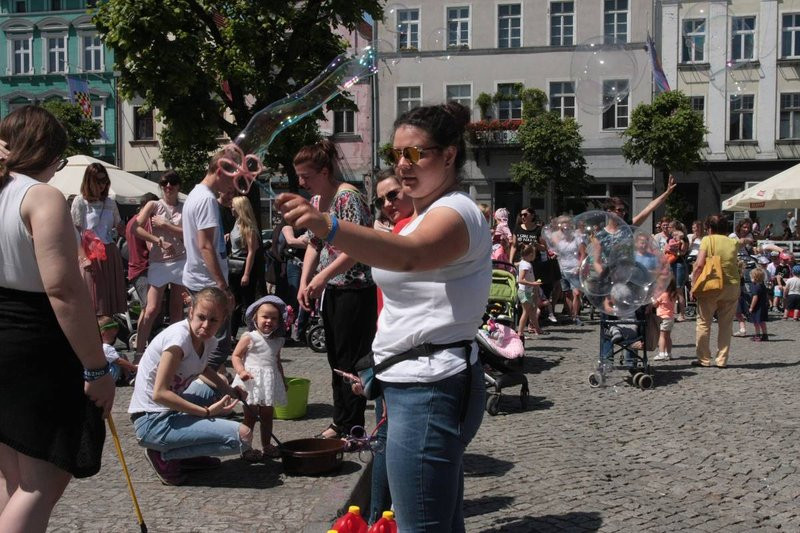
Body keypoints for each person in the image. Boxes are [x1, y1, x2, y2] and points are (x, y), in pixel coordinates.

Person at [277, 102, 488, 532]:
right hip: (409, 380)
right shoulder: (418, 216)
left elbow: (410, 258)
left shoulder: (457, 211)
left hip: (429, 384)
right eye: (396, 156)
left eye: (416, 154)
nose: (403, 165)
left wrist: (328, 226)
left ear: (449, 155)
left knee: (420, 525)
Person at [0, 106, 114, 532]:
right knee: (41, 481)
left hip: (6, 338)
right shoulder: (39, 196)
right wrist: (96, 366)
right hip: (32, 345)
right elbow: (64, 291)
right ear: (48, 153)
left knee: (13, 475)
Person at [293, 139, 376, 440]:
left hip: (355, 289)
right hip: (335, 289)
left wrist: (322, 277)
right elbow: (314, 243)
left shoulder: (347, 198)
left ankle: (353, 427)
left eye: (306, 176)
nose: (301, 182)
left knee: (352, 361)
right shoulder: (317, 203)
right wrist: (305, 281)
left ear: (325, 171)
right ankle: (340, 421)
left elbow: (357, 248)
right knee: (336, 359)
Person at [128, 287, 251, 486]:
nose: (205, 325)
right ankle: (165, 455)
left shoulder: (207, 340)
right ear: (191, 311)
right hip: (152, 420)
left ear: (223, 321)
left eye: (213, 320)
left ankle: (187, 452)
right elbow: (159, 394)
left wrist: (228, 389)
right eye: (201, 317)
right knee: (243, 438)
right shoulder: (178, 340)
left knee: (216, 388)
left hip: (169, 410)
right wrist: (205, 412)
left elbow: (202, 367)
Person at [369, 168, 414, 525]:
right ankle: (383, 515)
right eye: (382, 199)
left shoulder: (413, 231)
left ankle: (378, 518)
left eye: (392, 195)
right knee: (385, 435)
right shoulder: (394, 229)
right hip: (387, 345)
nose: (387, 204)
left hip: (404, 353)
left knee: (386, 437)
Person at [182, 148, 239, 375]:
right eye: (231, 176)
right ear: (219, 171)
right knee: (217, 344)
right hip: (207, 282)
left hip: (196, 277)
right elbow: (205, 245)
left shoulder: (196, 194)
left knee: (201, 340)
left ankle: (209, 388)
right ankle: (200, 388)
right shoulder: (206, 200)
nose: (234, 183)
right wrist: (223, 287)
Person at [132, 170, 187, 358]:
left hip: (181, 260)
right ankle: (139, 352)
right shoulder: (153, 205)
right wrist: (158, 240)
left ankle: (173, 351)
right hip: (159, 262)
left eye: (172, 183)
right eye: (164, 183)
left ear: (179, 186)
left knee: (177, 309)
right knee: (151, 308)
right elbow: (135, 228)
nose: (168, 187)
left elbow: (190, 233)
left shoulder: (185, 206)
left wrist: (165, 225)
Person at [231, 296, 288, 462]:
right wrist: (241, 371)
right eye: (265, 316)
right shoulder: (250, 337)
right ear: (255, 317)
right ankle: (246, 447)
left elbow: (277, 362)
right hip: (252, 382)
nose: (269, 321)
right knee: (250, 416)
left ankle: (267, 445)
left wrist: (282, 380)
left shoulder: (278, 341)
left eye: (273, 318)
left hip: (268, 382)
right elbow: (236, 356)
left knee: (267, 416)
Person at [71, 162, 127, 316]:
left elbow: (119, 226)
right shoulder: (80, 201)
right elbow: (75, 231)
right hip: (90, 254)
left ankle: (106, 338)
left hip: (109, 251)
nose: (102, 185)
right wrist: (83, 258)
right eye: (98, 180)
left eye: (105, 181)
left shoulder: (110, 202)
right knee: (93, 302)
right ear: (89, 180)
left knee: (109, 304)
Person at [691, 214, 741, 368]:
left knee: (704, 323)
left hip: (711, 285)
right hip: (732, 285)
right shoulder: (733, 242)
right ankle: (722, 360)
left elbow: (699, 265)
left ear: (710, 228)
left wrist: (694, 285)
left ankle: (704, 359)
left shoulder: (707, 240)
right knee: (726, 325)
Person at [229, 196, 266, 336]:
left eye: (233, 206)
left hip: (244, 267)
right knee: (235, 302)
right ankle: (232, 334)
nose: (231, 208)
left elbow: (251, 251)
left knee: (245, 302)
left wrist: (246, 274)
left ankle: (251, 332)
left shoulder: (248, 227)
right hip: (234, 266)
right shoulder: (236, 224)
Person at [98, 316, 137, 383]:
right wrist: (135, 368)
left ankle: (126, 376)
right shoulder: (106, 347)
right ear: (103, 334)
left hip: (101, 376)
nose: (114, 337)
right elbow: (119, 361)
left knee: (121, 355)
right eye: (112, 335)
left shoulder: (97, 346)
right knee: (120, 358)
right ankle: (129, 377)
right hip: (108, 378)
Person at [517, 245, 543, 338]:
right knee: (526, 312)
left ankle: (538, 329)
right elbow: (520, 280)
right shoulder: (526, 265)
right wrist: (533, 284)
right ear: (531, 254)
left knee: (531, 311)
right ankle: (520, 333)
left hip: (525, 290)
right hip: (525, 291)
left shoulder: (524, 262)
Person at [666, 220, 689, 321]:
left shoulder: (684, 238)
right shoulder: (670, 238)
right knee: (670, 289)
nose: (668, 229)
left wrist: (677, 251)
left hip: (679, 264)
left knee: (679, 289)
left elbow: (683, 252)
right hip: (671, 263)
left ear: (675, 227)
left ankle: (682, 314)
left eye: (670, 227)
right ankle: (670, 313)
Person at [653, 276, 678, 361]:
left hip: (662, 318)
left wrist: (653, 299)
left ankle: (661, 353)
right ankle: (669, 353)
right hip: (670, 317)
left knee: (662, 336)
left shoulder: (663, 295)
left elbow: (655, 304)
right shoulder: (673, 295)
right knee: (668, 336)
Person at [748, 268, 769, 341]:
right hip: (763, 306)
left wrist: (751, 307)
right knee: (762, 322)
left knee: (756, 322)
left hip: (757, 308)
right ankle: (765, 335)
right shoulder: (762, 285)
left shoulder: (756, 287)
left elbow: (755, 297)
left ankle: (757, 335)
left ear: (755, 278)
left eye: (751, 277)